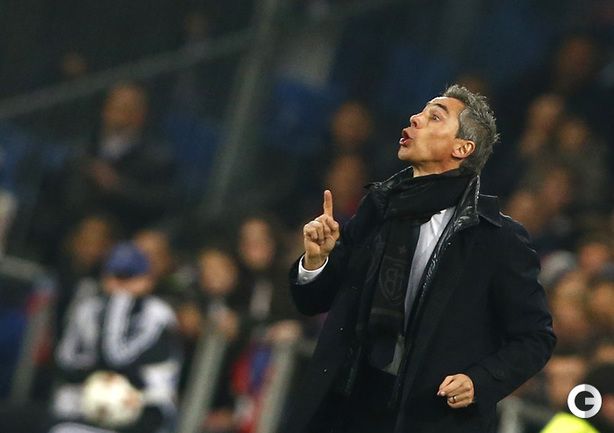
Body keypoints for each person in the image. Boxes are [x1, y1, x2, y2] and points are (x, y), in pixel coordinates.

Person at [288, 84, 556, 433]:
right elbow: (313, 301)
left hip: (428, 417)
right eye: (420, 112)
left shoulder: (496, 238)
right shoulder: (377, 208)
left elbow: (536, 337)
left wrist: (480, 381)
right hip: (347, 407)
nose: (415, 119)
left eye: (435, 117)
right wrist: (316, 261)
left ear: (462, 148)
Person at [47, 242, 183, 433]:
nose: (119, 284)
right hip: (89, 403)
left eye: (128, 277)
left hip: (143, 407)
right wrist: (96, 375)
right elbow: (64, 361)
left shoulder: (158, 315)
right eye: (113, 275)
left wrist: (119, 304)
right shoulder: (88, 309)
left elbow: (116, 357)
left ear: (147, 280)